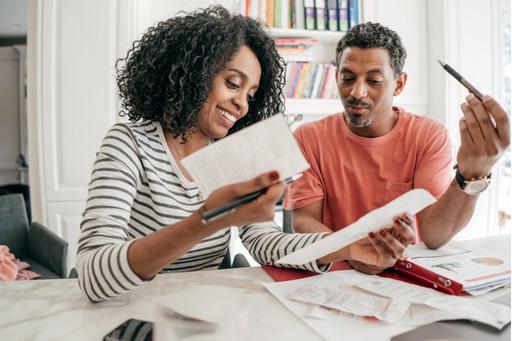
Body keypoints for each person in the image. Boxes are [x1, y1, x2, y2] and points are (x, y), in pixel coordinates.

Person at [76, 7, 414, 302]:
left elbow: (265, 242)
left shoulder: (233, 157)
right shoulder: (129, 144)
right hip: (128, 309)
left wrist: (347, 246)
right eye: (233, 84)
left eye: (251, 94)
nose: (242, 104)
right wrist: (207, 220)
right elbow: (92, 272)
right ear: (191, 74)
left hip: (196, 312)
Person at [286, 22, 511, 275]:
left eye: (374, 80)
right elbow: (303, 220)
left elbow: (434, 236)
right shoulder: (308, 136)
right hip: (334, 273)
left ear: (399, 84)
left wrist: (471, 174)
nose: (357, 92)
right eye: (347, 78)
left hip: (404, 274)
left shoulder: (427, 135)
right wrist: (350, 250)